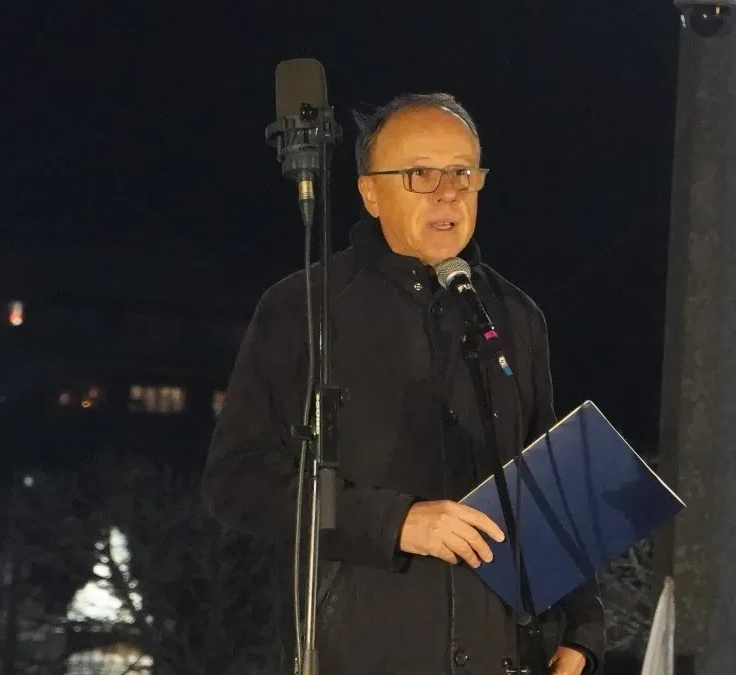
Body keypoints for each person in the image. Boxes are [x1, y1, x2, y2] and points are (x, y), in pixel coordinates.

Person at [201, 93, 605, 675]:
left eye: (463, 173)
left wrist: (583, 631)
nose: (448, 193)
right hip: (363, 653)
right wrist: (396, 523)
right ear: (370, 193)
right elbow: (236, 481)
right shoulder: (303, 307)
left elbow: (551, 483)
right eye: (421, 174)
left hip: (507, 652)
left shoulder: (515, 315)